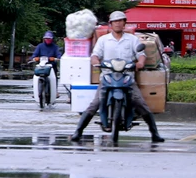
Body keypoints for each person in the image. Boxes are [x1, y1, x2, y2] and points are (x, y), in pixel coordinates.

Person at [70, 11, 164, 143]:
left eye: (120, 21)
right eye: (115, 21)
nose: (118, 23)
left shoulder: (132, 39)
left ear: (124, 23)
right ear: (111, 24)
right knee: (94, 104)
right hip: (107, 77)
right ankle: (78, 132)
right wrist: (95, 62)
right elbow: (95, 55)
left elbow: (141, 54)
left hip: (127, 77)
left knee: (141, 103)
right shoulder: (103, 40)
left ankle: (155, 134)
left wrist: (140, 63)